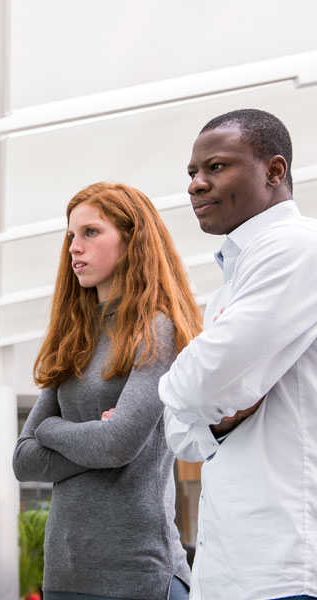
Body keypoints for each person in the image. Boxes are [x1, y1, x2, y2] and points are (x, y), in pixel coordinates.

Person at [13, 182, 201, 600]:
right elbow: (24, 459)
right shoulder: (75, 339)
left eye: (91, 232)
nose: (74, 247)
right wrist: (86, 438)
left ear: (132, 239)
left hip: (139, 575)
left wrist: (52, 430)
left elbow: (117, 445)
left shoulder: (158, 330)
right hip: (65, 575)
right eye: (70, 236)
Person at [159, 109, 317, 600]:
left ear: (274, 171)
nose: (196, 185)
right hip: (230, 567)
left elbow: (201, 384)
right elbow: (181, 435)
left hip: (284, 565)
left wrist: (187, 391)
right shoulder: (234, 277)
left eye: (216, 167)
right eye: (191, 173)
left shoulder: (298, 248)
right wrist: (214, 420)